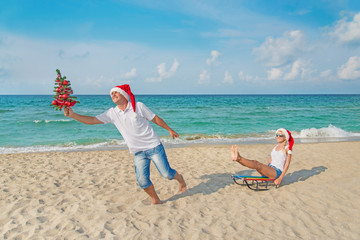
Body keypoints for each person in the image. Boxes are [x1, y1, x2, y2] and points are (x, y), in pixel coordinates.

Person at [64, 84, 187, 204]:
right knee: (142, 181)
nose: (113, 94)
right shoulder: (112, 113)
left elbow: (155, 118)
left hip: (153, 146)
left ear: (123, 94)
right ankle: (156, 199)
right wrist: (73, 115)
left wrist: (169, 129)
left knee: (166, 174)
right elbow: (92, 120)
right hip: (138, 152)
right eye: (111, 93)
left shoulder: (138, 106)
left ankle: (180, 179)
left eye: (115, 92)